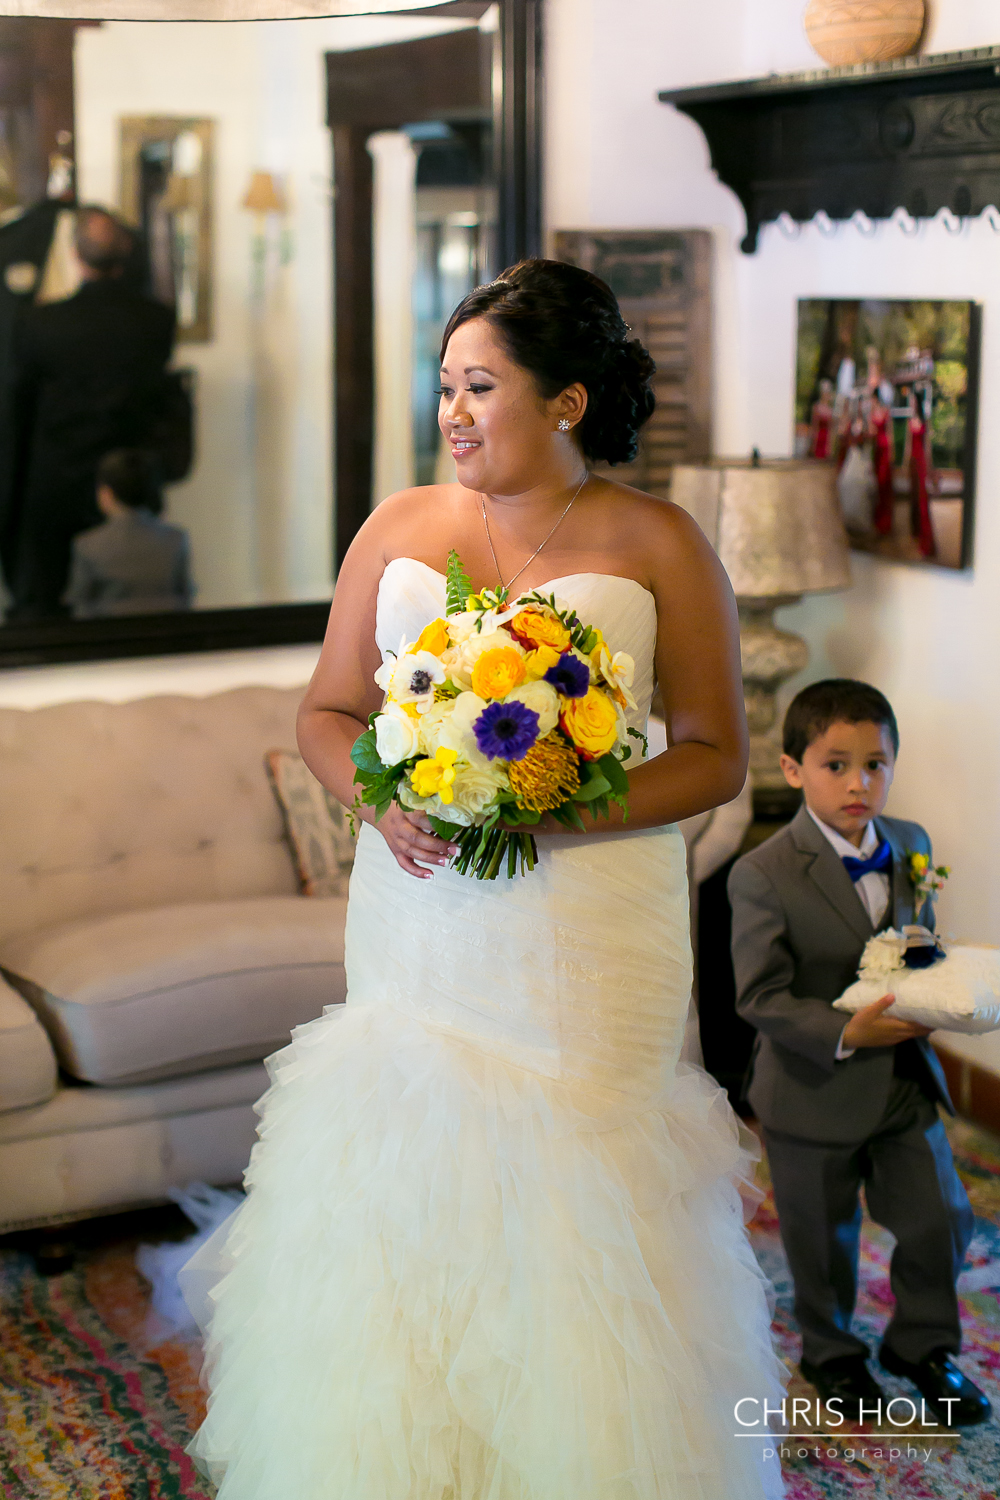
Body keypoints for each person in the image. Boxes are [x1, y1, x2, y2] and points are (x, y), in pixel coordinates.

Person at [181, 259, 786, 1499]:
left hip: (590, 927)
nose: (452, 411)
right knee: (409, 1175)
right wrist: (380, 798)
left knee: (581, 1192)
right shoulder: (397, 527)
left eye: (480, 386)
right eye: (446, 384)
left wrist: (555, 809)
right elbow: (327, 712)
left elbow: (717, 757)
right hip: (422, 913)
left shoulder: (660, 540)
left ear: (565, 401)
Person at [729, 679, 990, 1427]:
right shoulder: (762, 872)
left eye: (876, 765)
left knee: (942, 1217)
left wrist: (941, 994)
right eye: (836, 765)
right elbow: (760, 995)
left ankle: (923, 1347)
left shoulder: (910, 843)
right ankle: (831, 1352)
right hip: (811, 1087)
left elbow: (918, 941)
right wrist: (847, 1032)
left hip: (903, 1081)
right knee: (822, 1238)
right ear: (792, 769)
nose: (858, 784)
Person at [5, 205, 175, 619]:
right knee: (134, 608)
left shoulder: (40, 325)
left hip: (56, 482)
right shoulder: (156, 322)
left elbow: (19, 404)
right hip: (130, 481)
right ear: (125, 253)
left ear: (75, 255)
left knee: (48, 603)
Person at [63, 448, 193, 618]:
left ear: (106, 493)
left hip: (111, 631)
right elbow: (184, 598)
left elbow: (81, 607)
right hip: (166, 631)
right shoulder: (176, 539)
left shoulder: (87, 545)